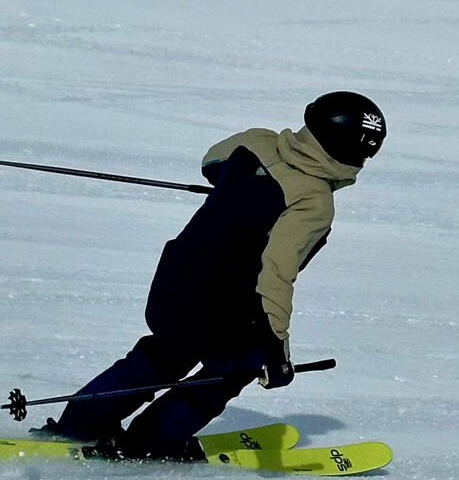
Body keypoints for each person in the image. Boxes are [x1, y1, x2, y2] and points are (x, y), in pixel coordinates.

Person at [37, 91, 387, 460]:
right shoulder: (314, 200)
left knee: (162, 354)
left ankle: (78, 424)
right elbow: (277, 274)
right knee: (232, 369)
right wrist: (275, 350)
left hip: (175, 280)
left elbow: (212, 161)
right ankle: (150, 442)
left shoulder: (257, 141)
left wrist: (241, 192)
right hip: (223, 304)